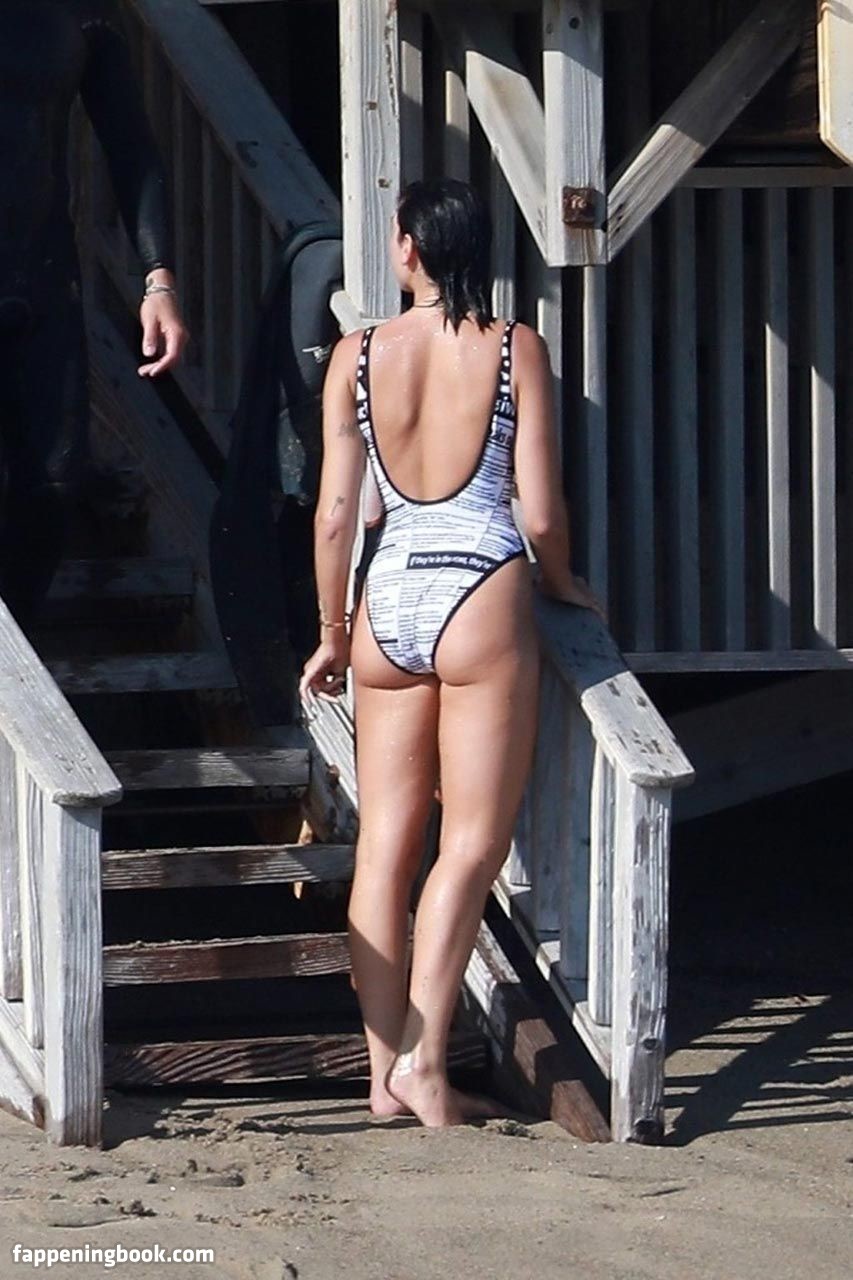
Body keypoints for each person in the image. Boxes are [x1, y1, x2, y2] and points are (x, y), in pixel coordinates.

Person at [300, 179, 600, 1127]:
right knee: (469, 842)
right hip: (478, 588)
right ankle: (425, 1064)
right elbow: (538, 512)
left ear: (409, 249)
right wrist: (563, 581)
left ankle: (378, 1075)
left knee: (385, 845)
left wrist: (332, 633)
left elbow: (336, 514)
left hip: (386, 599)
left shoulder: (356, 355)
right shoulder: (514, 348)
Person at [0, 0, 187, 623]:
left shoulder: (81, 11)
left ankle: (15, 654)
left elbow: (131, 145)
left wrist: (158, 279)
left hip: (40, 277)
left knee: (56, 482)